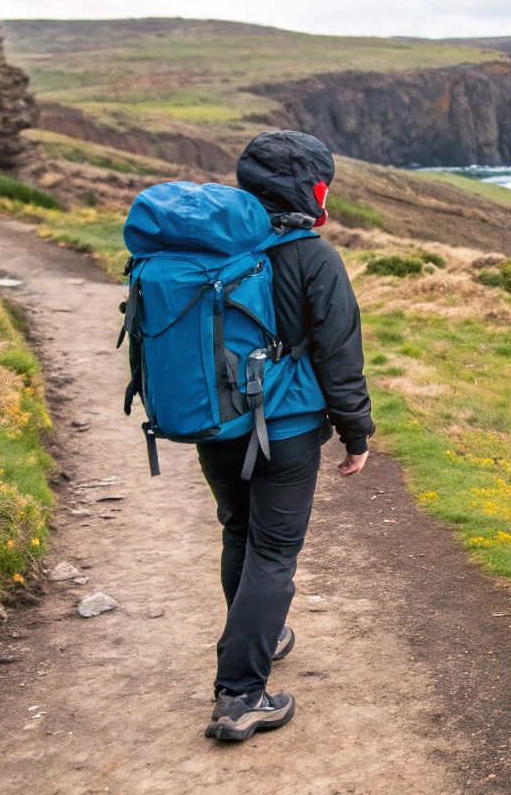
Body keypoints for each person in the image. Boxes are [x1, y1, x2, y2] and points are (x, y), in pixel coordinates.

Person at [200, 130, 374, 741]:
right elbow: (337, 355)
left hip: (214, 420)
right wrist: (356, 433)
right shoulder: (312, 256)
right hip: (288, 429)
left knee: (239, 532)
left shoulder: (209, 247)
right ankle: (241, 695)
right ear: (311, 188)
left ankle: (263, 634)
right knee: (272, 552)